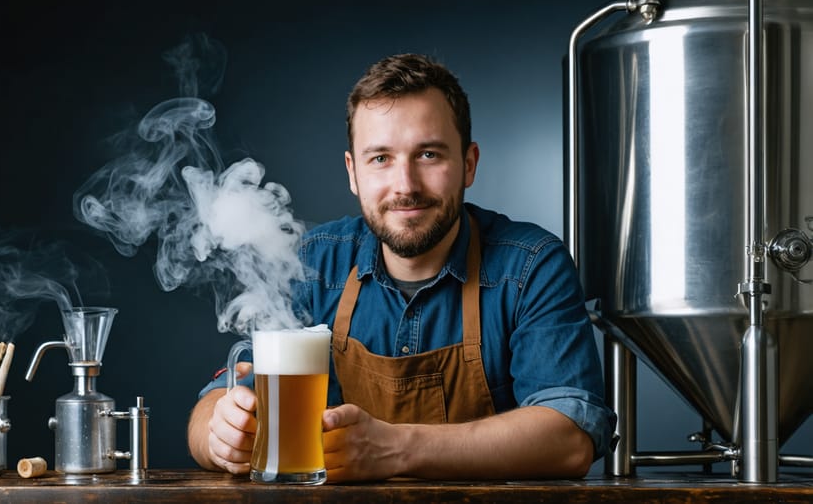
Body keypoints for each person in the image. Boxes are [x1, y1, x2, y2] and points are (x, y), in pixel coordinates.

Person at [187, 53, 615, 482]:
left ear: (469, 164)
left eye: (428, 154)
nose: (405, 186)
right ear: (353, 173)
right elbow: (212, 407)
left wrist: (395, 448)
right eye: (381, 159)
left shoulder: (530, 265)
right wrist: (220, 435)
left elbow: (570, 439)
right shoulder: (312, 263)